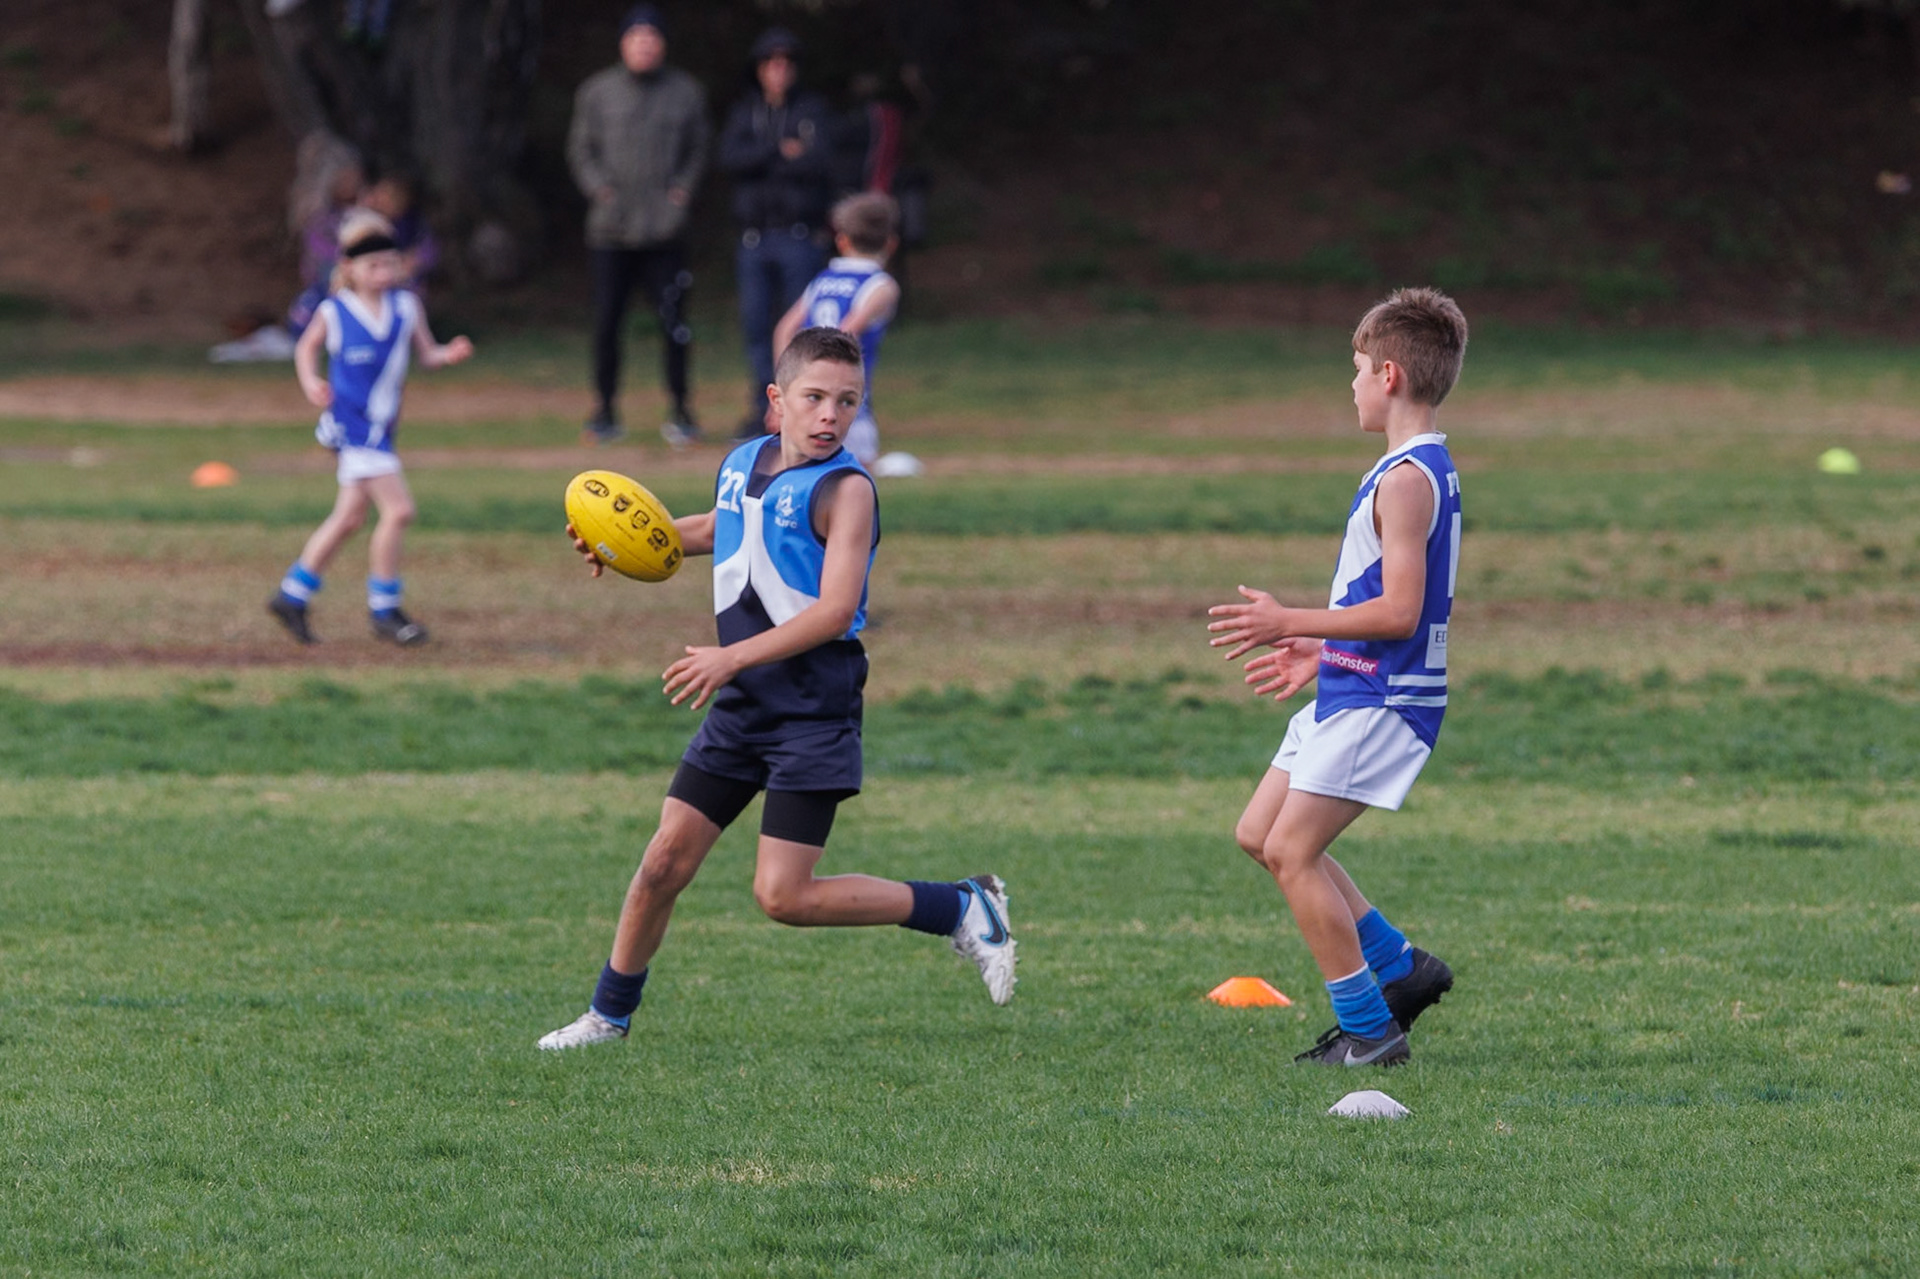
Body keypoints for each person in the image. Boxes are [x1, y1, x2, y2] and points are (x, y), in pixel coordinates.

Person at [537, 326, 1015, 1051]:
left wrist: (729, 659)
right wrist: (625, 541)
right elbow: (719, 527)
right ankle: (608, 1016)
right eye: (815, 397)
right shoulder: (743, 462)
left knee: (783, 896)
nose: (830, 415)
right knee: (663, 861)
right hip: (743, 706)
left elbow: (834, 611)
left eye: (847, 401)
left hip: (811, 709)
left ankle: (959, 905)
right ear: (777, 400)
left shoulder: (847, 491)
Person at [1206, 287, 1468, 1068]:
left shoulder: (1407, 479)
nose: (1350, 385)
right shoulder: (1405, 469)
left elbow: (1401, 611)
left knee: (1292, 850)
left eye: (1355, 369)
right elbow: (1385, 605)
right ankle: (1401, 967)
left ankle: (1368, 1029)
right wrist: (1323, 652)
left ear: (1389, 375)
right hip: (1354, 685)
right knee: (1260, 834)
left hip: (1384, 703)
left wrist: (1289, 618)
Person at [267, 210, 474, 647]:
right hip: (353, 427)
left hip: (382, 430)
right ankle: (385, 610)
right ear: (349, 268)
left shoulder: (406, 307)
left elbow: (427, 354)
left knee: (349, 518)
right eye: (373, 265)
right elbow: (305, 348)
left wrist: (448, 354)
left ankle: (292, 595)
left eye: (390, 264)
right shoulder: (336, 311)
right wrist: (310, 382)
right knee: (399, 511)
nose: (384, 273)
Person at [567, 4, 710, 446]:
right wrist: (599, 190)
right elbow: (580, 149)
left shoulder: (685, 92)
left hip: (665, 231)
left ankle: (681, 410)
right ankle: (604, 411)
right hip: (611, 231)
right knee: (607, 324)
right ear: (623, 44)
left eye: (652, 38)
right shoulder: (598, 92)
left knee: (674, 324)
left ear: (662, 44)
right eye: (636, 38)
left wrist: (682, 192)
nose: (644, 46)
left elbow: (699, 149)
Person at [717, 26, 835, 441]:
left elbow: (819, 162)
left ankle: (803, 409)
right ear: (759, 69)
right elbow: (729, 159)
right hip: (754, 239)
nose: (778, 70)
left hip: (799, 237)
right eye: (771, 63)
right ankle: (762, 408)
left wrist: (764, 160)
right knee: (757, 328)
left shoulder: (813, 111)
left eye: (786, 63)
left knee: (800, 332)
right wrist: (776, 150)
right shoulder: (745, 112)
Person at [771, 193, 900, 467]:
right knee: (856, 482)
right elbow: (845, 334)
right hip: (845, 404)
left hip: (804, 399)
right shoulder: (880, 286)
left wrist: (786, 389)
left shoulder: (822, 281)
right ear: (891, 243)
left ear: (842, 241)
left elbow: (784, 329)